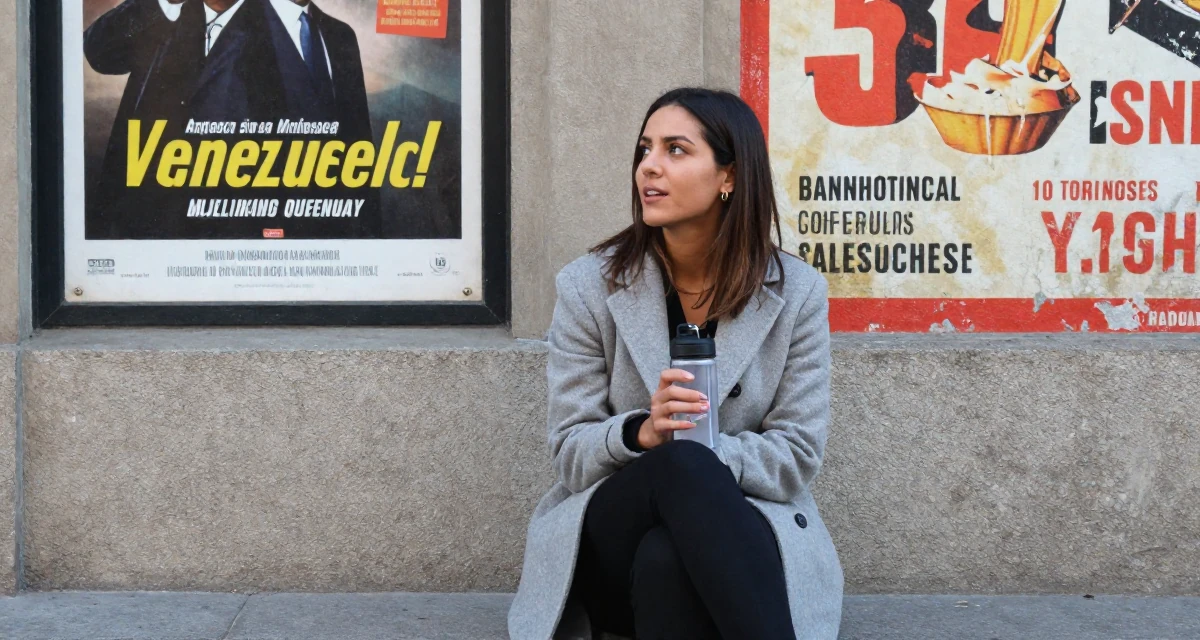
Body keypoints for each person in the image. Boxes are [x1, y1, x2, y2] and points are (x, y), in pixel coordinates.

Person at [508, 88, 843, 640]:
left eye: (676, 150)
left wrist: (708, 454)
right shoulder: (589, 286)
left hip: (732, 545)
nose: (649, 167)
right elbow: (570, 452)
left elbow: (797, 457)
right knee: (679, 465)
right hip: (612, 543)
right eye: (645, 149)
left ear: (729, 177)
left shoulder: (797, 293)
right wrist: (643, 433)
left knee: (670, 555)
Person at [83, 0, 375, 239]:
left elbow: (355, 152)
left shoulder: (296, 28)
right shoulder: (170, 16)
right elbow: (100, 51)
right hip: (149, 228)